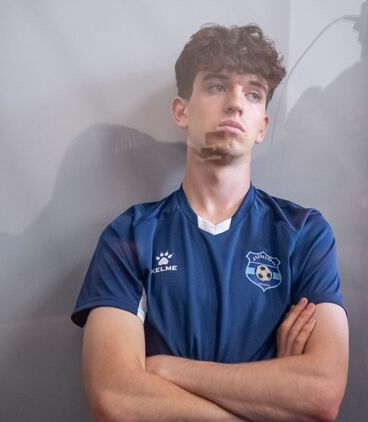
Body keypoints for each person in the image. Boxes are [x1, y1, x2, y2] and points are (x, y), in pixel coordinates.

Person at [71, 24, 349, 421]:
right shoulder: (131, 234)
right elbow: (114, 397)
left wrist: (166, 370)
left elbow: (321, 393)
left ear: (262, 126)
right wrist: (271, 396)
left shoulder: (304, 234)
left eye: (253, 94)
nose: (235, 103)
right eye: (218, 86)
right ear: (181, 111)